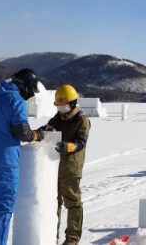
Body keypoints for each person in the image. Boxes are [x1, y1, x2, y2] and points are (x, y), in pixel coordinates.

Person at [0, 68, 44, 245]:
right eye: (31, 91)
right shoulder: (15, 100)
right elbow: (21, 132)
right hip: (4, 163)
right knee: (1, 211)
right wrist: (37, 135)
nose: (30, 95)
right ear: (25, 86)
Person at [39, 84, 91, 245]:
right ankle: (51, 236)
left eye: (64, 105)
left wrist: (67, 146)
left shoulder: (82, 120)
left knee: (73, 203)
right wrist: (43, 130)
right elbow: (47, 130)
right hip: (54, 167)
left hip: (71, 167)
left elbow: (81, 143)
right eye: (59, 106)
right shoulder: (57, 119)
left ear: (73, 103)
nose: (61, 109)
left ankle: (72, 239)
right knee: (54, 203)